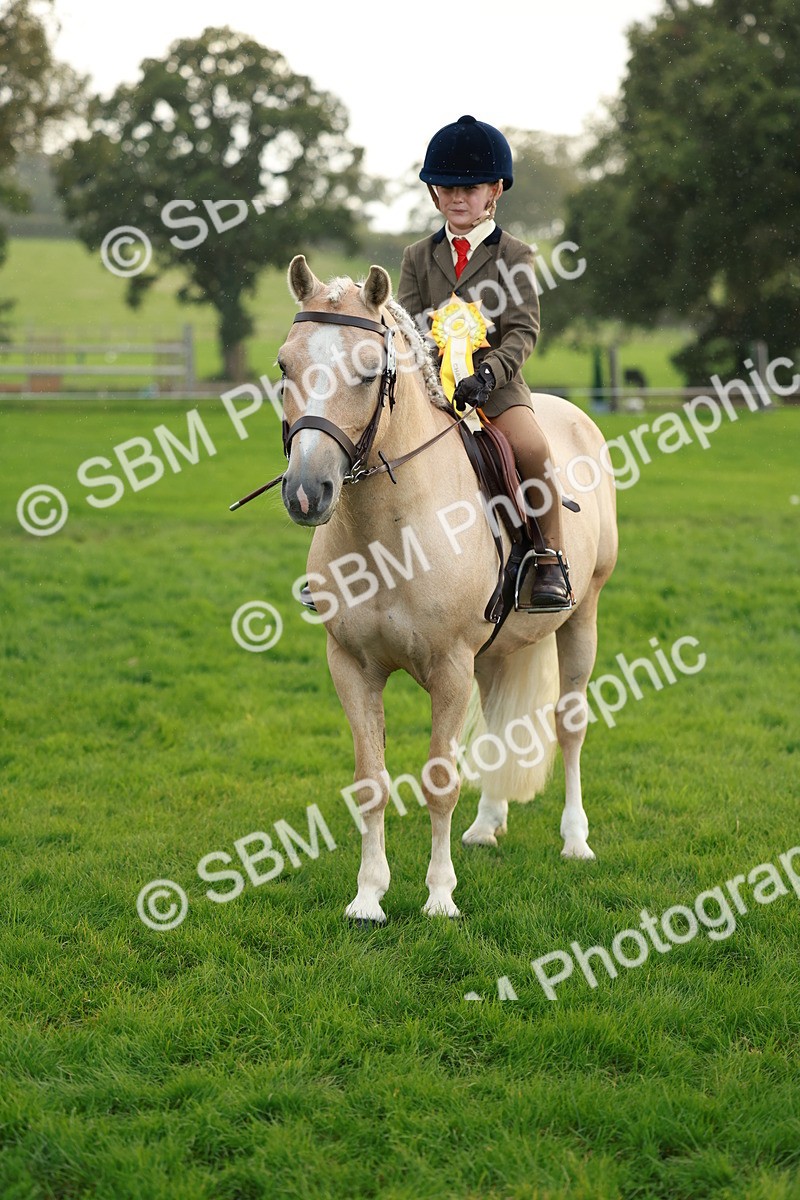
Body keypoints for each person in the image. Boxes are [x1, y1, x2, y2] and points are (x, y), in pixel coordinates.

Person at [398, 114, 572, 610]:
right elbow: (410, 326)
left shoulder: (513, 254)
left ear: (495, 190)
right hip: (432, 389)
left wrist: (488, 374)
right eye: (447, 188)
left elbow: (523, 331)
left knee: (532, 448)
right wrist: (430, 373)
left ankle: (549, 558)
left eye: (470, 188)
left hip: (495, 388)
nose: (457, 198)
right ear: (434, 193)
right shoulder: (417, 255)